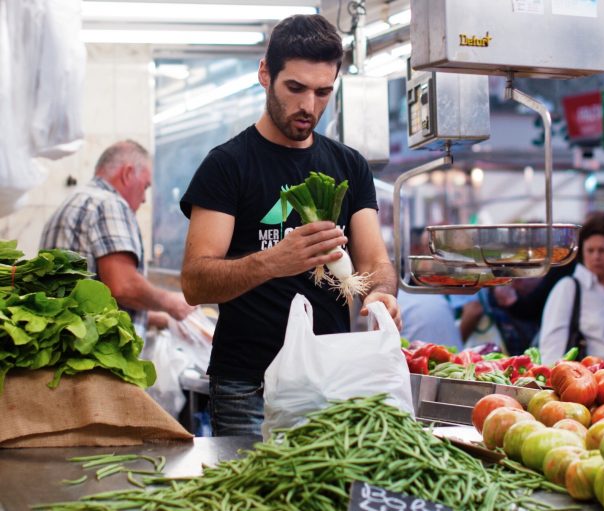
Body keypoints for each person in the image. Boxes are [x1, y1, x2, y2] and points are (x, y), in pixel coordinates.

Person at [179, 15, 400, 436]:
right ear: (265, 73)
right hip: (248, 385)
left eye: (323, 92)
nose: (309, 107)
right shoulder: (227, 165)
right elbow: (195, 282)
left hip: (329, 377)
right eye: (295, 88)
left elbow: (375, 263)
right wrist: (275, 261)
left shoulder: (349, 165)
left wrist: (381, 295)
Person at [40, 140, 194, 335]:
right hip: (92, 353)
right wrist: (171, 302)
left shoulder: (71, 203)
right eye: (145, 186)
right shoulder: (109, 204)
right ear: (128, 173)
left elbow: (92, 298)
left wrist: (156, 318)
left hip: (66, 343)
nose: (145, 198)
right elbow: (123, 286)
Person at [539, 214, 604, 365]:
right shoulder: (567, 288)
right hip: (585, 384)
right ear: (581, 253)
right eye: (590, 250)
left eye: (602, 250)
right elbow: (551, 347)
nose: (596, 256)